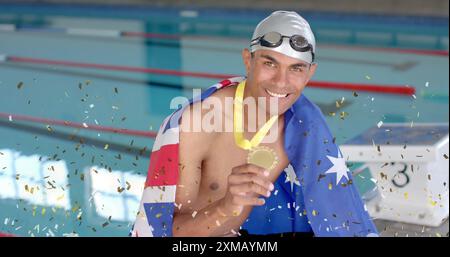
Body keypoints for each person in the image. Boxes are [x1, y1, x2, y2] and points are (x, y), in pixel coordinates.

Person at [131, 10, 378, 237]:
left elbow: (337, 216)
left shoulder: (305, 126)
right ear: (248, 60)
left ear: (310, 72)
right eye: (269, 63)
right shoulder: (197, 124)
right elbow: (164, 232)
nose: (281, 82)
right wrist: (226, 207)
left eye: (296, 68)